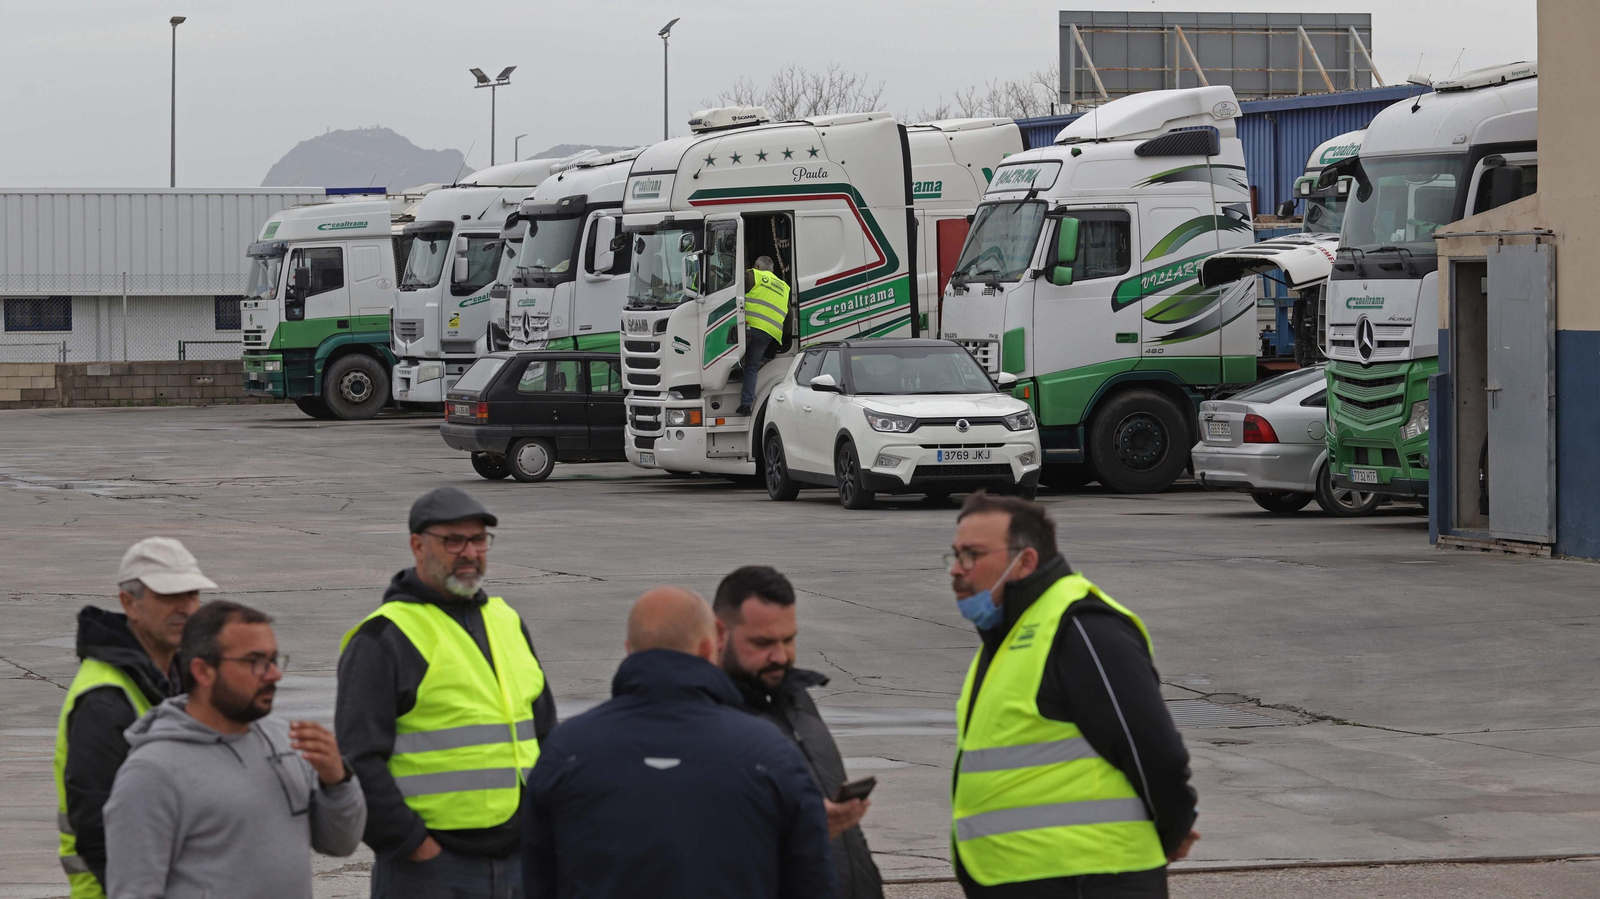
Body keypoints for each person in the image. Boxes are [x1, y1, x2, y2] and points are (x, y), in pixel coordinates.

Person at [945, 493, 1199, 899]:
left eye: (972, 555)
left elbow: (1152, 750)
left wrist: (1173, 832)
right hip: (1025, 880)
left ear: (1024, 562)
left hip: (1091, 881)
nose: (957, 570)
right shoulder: (1009, 636)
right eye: (955, 555)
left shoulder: (1081, 627)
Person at [522, 587, 835, 899]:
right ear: (708, 647)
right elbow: (812, 881)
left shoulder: (567, 750)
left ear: (630, 649)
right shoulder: (771, 752)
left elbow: (537, 879)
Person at [337, 486, 554, 899]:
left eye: (478, 540)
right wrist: (412, 843)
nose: (469, 552)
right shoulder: (384, 638)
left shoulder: (507, 622)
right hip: (431, 867)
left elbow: (546, 735)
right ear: (417, 546)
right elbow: (358, 756)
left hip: (518, 861)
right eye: (453, 540)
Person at [103, 601, 366, 899]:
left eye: (274, 660)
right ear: (203, 671)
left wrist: (337, 781)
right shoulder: (152, 773)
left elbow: (340, 843)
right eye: (255, 661)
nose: (274, 675)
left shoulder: (285, 740)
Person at [53, 537, 213, 898]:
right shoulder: (105, 700)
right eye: (170, 596)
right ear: (130, 604)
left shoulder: (179, 675)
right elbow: (98, 829)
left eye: (191, 595)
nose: (186, 608)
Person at [714, 565, 884, 899]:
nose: (780, 656)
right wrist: (801, 833)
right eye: (762, 643)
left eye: (789, 639)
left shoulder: (795, 698)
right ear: (720, 634)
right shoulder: (706, 718)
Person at [735, 255, 791, 415]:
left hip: (750, 328)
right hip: (771, 334)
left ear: (757, 267)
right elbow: (788, 317)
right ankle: (746, 404)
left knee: (740, 361)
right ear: (772, 270)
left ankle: (745, 404)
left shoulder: (753, 275)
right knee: (752, 365)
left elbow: (732, 292)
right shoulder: (784, 287)